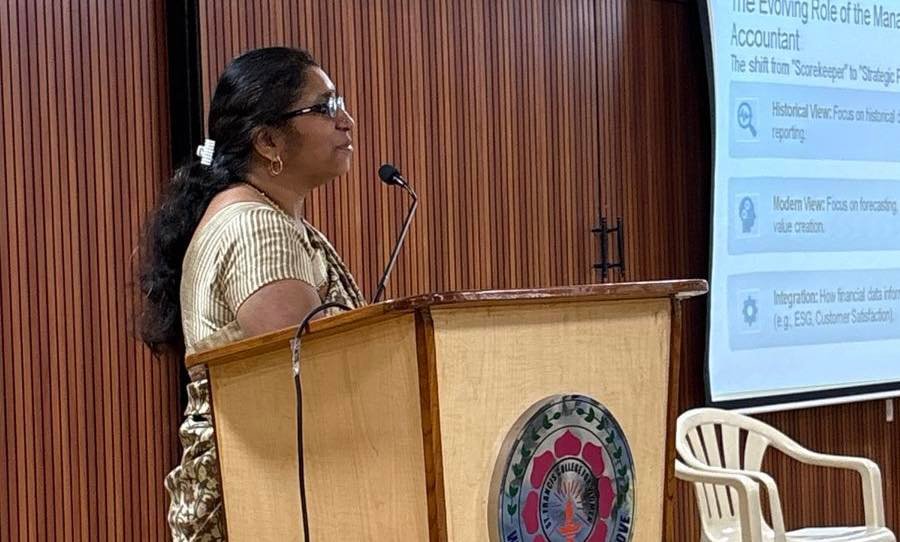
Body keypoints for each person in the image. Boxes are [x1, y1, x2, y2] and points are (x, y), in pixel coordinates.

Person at [137, 46, 366, 541]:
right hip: (263, 506)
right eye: (325, 107)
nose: (346, 120)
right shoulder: (257, 229)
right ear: (267, 141)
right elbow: (312, 385)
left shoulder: (262, 215)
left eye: (341, 103)